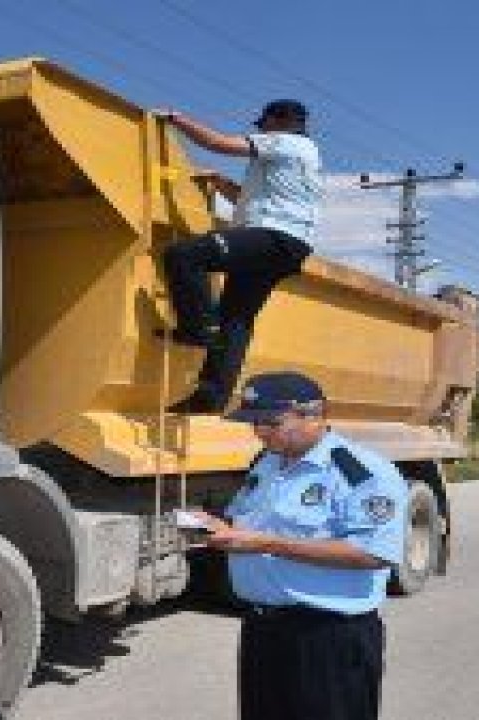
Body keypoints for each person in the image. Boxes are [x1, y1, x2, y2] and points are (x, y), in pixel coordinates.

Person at [192, 371, 407, 720]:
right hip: (263, 630)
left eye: (270, 422)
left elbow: (374, 553)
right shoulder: (268, 463)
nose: (259, 432)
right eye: (253, 423)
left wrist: (267, 543)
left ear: (314, 415)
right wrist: (217, 528)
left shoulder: (360, 472)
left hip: (328, 639)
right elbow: (248, 524)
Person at [155, 100, 321, 413]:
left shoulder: (285, 142)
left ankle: (197, 328)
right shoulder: (303, 158)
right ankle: (210, 398)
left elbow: (216, 142)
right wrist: (221, 184)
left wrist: (177, 118)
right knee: (236, 319)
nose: (260, 129)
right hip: (286, 244)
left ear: (278, 121)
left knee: (185, 254)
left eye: (264, 124)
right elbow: (256, 198)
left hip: (273, 237)